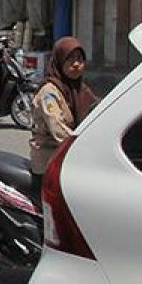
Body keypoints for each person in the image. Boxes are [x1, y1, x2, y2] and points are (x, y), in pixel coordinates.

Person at [30, 37, 99, 183]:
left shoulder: (79, 89)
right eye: (70, 59)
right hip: (49, 160)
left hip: (69, 158)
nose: (76, 64)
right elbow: (58, 129)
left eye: (80, 59)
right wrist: (85, 148)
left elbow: (98, 110)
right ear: (60, 61)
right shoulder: (49, 93)